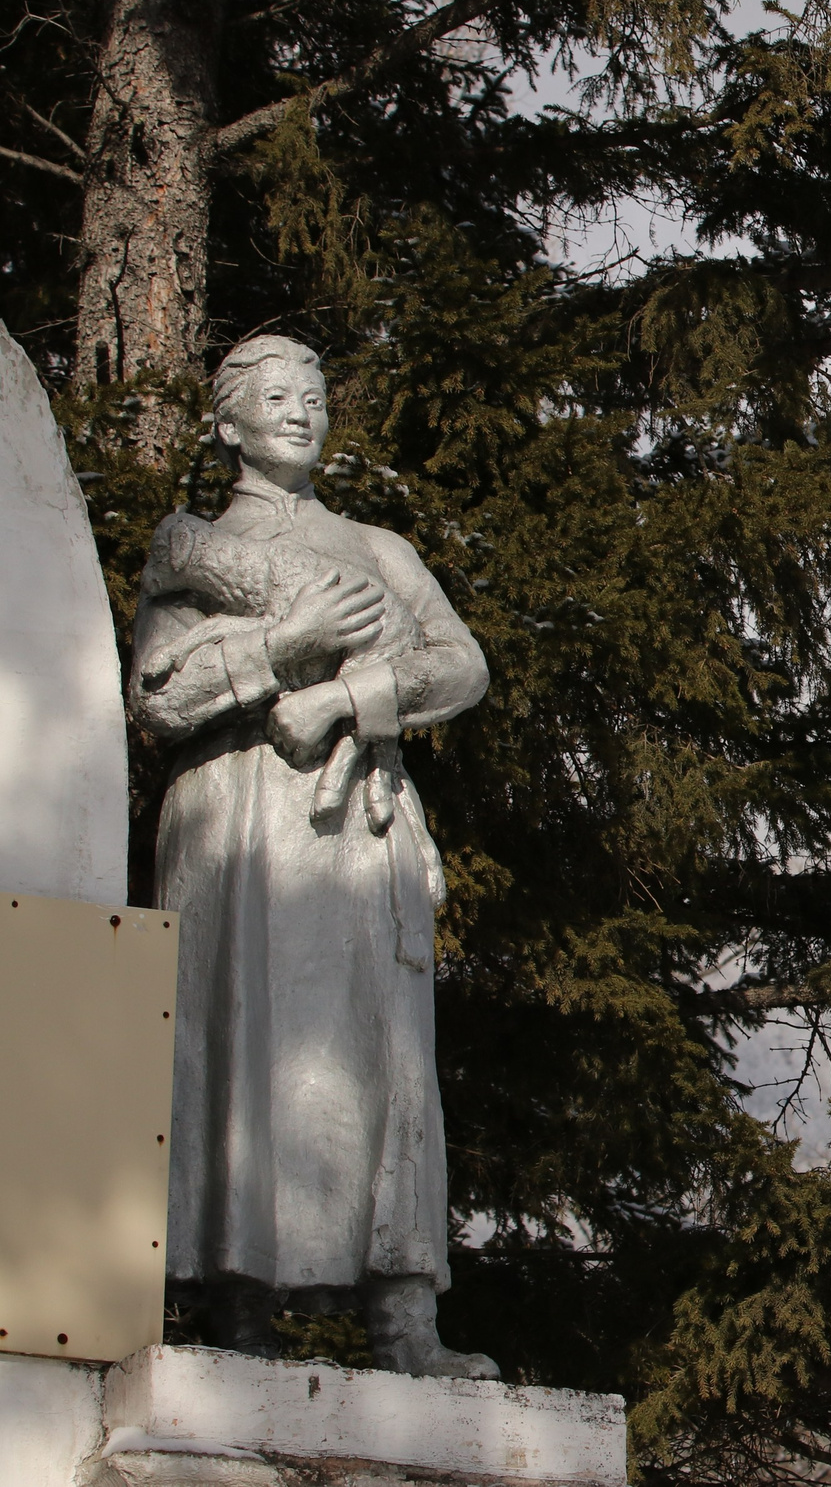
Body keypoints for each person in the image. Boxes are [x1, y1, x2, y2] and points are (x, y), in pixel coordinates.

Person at [128, 334, 496, 1378]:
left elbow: (460, 664)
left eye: (315, 396)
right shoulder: (189, 548)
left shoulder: (377, 548)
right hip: (237, 817)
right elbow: (157, 697)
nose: (300, 413)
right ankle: (234, 1311)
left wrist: (346, 697)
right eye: (276, 397)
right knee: (238, 1034)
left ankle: (403, 1318)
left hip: (355, 821)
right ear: (229, 422)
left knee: (385, 1055)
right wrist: (280, 650)